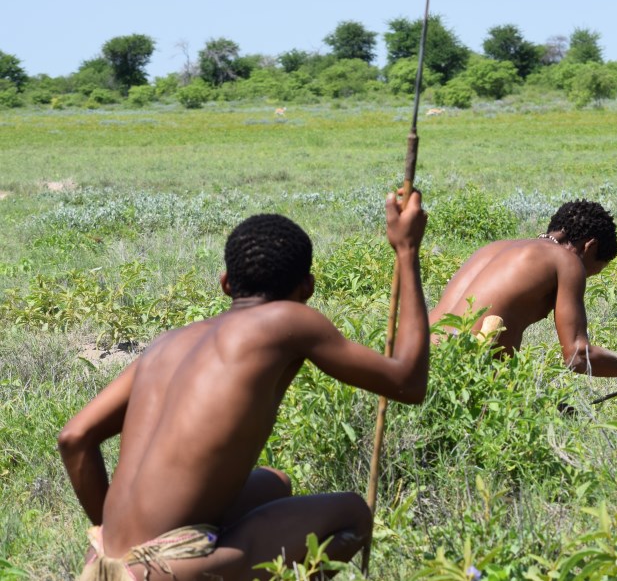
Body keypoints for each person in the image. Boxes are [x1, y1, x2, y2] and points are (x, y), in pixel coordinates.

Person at [57, 191, 429, 580]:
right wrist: (406, 251)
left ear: (225, 284)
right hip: (162, 568)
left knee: (274, 484)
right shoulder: (290, 319)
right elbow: (408, 381)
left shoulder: (169, 343)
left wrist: (119, 545)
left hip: (103, 562)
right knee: (353, 514)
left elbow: (75, 437)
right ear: (307, 288)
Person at [430, 199, 617, 378]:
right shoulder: (567, 261)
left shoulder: (495, 248)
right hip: (457, 374)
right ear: (590, 246)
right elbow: (578, 358)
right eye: (590, 272)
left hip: (415, 361)